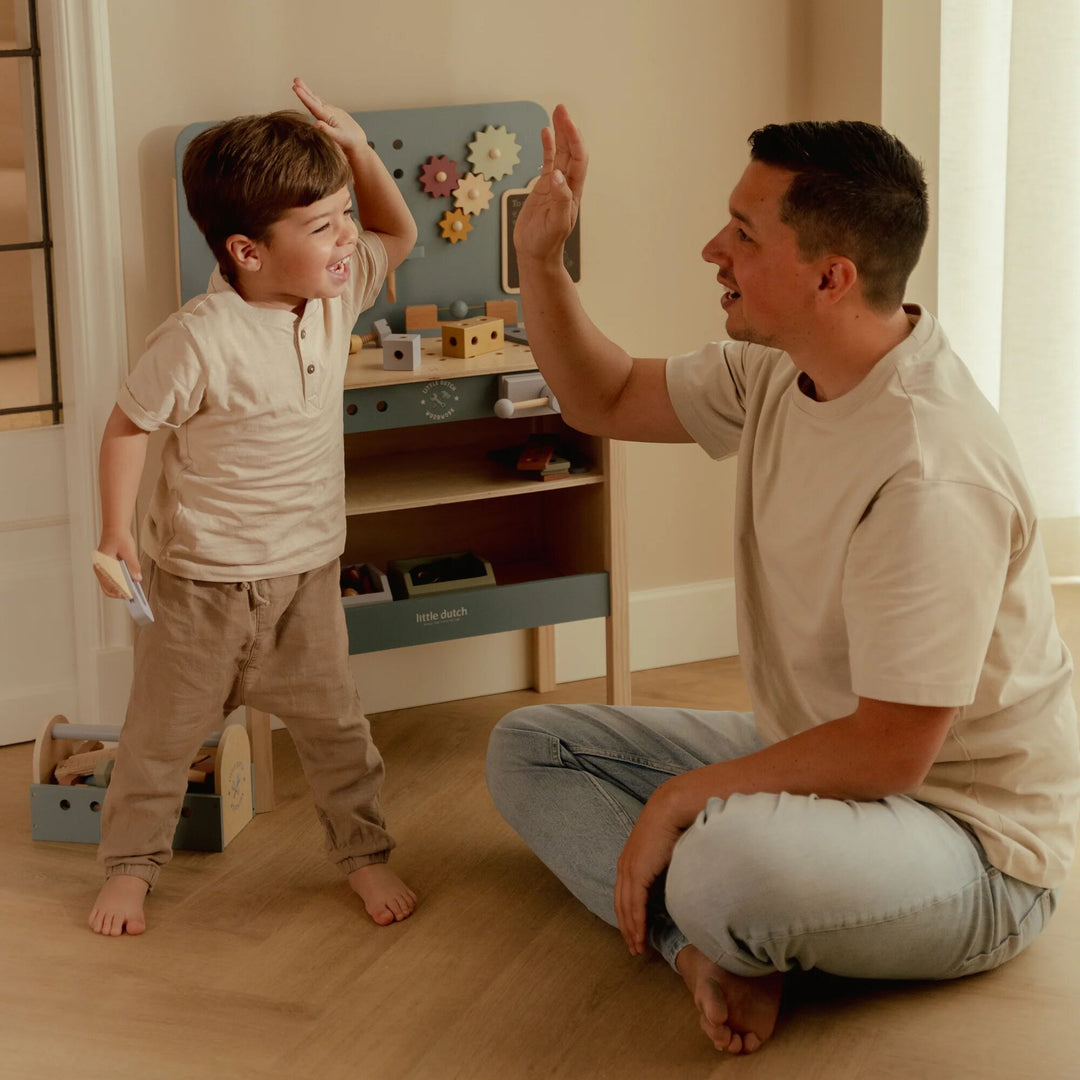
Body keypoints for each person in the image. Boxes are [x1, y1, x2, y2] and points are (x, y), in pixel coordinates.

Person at [485, 106, 1080, 1054]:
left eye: (744, 233)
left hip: (969, 843)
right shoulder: (779, 373)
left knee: (725, 867)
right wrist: (543, 263)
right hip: (825, 770)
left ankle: (724, 918)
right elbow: (598, 395)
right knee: (529, 748)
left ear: (831, 277)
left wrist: (682, 801)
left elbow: (893, 755)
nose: (713, 247)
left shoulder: (929, 467)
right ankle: (701, 952)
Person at [89, 79, 418, 937]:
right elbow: (129, 426)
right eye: (322, 226)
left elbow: (400, 231)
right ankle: (129, 868)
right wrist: (116, 531)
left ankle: (364, 854)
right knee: (160, 742)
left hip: (307, 575)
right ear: (246, 250)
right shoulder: (200, 336)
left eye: (343, 213)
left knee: (339, 732)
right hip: (198, 586)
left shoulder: (336, 296)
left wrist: (360, 155)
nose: (347, 236)